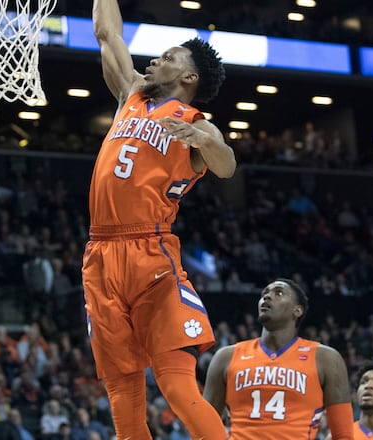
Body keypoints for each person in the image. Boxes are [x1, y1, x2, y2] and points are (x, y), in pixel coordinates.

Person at [82, 0, 235, 437]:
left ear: (189, 78)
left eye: (168, 57)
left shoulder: (195, 122)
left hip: (150, 252)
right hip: (100, 255)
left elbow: (226, 166)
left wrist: (202, 140)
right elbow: (108, 34)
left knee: (175, 383)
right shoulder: (130, 94)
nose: (155, 59)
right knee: (122, 390)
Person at [203, 279, 354, 439]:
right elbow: (204, 426)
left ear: (297, 310)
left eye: (278, 293)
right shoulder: (226, 357)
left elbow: (343, 435)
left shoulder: (326, 359)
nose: (267, 297)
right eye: (264, 294)